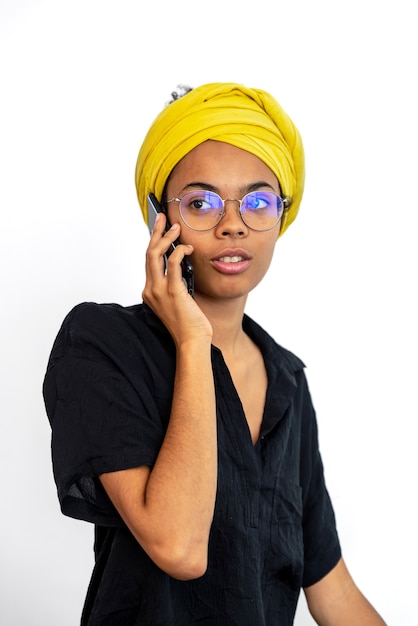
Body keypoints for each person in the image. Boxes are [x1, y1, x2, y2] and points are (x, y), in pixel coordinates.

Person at [43, 82, 387, 625]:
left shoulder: (287, 382)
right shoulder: (103, 345)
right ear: (162, 218)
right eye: (200, 202)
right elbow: (179, 547)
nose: (232, 224)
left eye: (257, 202)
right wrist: (192, 340)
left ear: (281, 216)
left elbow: (331, 590)